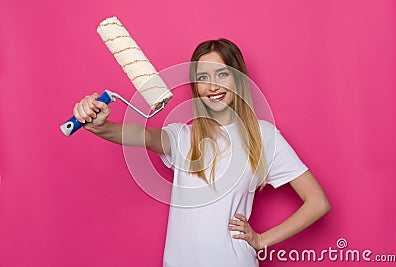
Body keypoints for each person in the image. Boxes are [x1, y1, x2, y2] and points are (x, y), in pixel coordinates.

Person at [72, 38, 331, 267]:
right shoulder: (183, 136)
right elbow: (136, 135)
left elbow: (317, 202)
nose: (212, 86)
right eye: (203, 78)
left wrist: (262, 239)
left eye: (222, 74)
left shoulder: (263, 136)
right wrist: (100, 125)